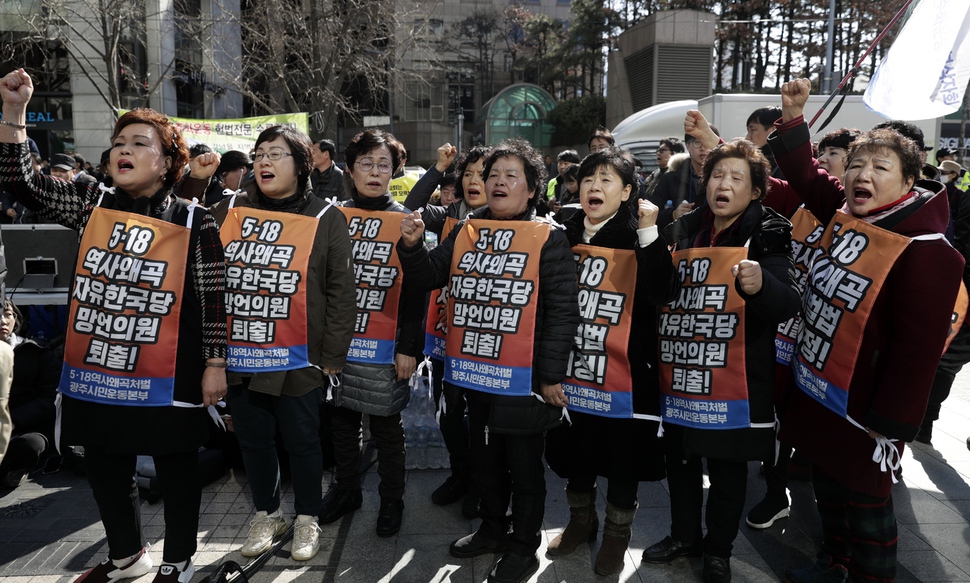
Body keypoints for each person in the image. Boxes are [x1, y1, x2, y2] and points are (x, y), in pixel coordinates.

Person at [0, 68, 228, 583]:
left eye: (139, 143)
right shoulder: (91, 203)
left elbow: (215, 301)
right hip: (101, 366)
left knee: (175, 466)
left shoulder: (196, 220)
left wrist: (215, 365)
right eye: (118, 142)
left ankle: (178, 558)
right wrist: (15, 114)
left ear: (169, 162)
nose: (122, 150)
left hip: (171, 370)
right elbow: (24, 182)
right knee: (105, 463)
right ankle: (127, 556)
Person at [769, 78, 964, 583]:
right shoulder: (851, 216)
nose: (862, 175)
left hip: (869, 408)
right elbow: (810, 181)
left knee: (865, 498)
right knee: (828, 484)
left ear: (910, 182)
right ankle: (834, 563)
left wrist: (892, 422)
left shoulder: (926, 249)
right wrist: (793, 117)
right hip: (822, 386)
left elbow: (917, 350)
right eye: (856, 164)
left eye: (880, 167)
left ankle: (872, 575)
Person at [397, 137, 580, 583]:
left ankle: (523, 546)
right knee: (484, 461)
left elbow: (561, 311)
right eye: (490, 174)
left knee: (524, 467)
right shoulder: (467, 229)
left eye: (510, 176)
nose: (497, 182)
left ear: (533, 189)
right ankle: (493, 529)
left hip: (526, 382)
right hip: (476, 373)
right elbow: (426, 277)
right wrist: (412, 247)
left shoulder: (548, 237)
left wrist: (550, 375)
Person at [185, 125, 356, 562]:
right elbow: (180, 220)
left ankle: (307, 518)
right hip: (240, 354)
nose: (263, 162)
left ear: (300, 165)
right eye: (259, 154)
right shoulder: (230, 209)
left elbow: (341, 291)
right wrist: (195, 179)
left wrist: (332, 356)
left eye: (276, 154)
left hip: (299, 355)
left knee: (302, 440)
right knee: (255, 441)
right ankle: (267, 513)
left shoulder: (325, 216)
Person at [642, 137, 800, 583]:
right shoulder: (686, 228)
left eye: (736, 178)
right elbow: (657, 291)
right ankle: (683, 536)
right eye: (716, 176)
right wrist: (651, 237)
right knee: (682, 462)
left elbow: (788, 302)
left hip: (736, 379)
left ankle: (718, 551)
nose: (723, 185)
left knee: (728, 472)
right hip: (683, 371)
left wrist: (759, 284)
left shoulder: (768, 232)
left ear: (754, 191)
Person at [544, 147, 675, 575]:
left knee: (623, 456)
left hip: (625, 368)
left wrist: (651, 234)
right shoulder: (561, 228)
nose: (594, 187)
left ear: (628, 192)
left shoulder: (643, 232)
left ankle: (618, 536)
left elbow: (663, 292)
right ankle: (581, 521)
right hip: (572, 365)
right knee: (574, 448)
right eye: (587, 179)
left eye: (605, 180)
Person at [319, 129, 425, 538]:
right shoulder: (332, 216)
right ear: (350, 168)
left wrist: (408, 348)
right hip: (338, 345)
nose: (375, 171)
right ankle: (347, 490)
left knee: (385, 429)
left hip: (385, 347)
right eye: (366, 163)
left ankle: (391, 500)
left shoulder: (406, 221)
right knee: (341, 423)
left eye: (384, 164)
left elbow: (417, 290)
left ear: (395, 170)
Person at [404, 144, 486, 516]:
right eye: (467, 173)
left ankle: (483, 486)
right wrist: (439, 167)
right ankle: (461, 474)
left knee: (481, 418)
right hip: (444, 332)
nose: (474, 181)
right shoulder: (450, 215)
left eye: (483, 174)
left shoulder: (514, 224)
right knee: (449, 411)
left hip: (487, 342)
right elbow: (414, 203)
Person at [0, 299, 60, 488]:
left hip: (23, 428)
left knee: (31, 445)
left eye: (7, 314)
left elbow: (50, 398)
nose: (2, 320)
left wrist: (13, 420)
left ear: (16, 319)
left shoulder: (36, 352)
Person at [650, 125, 720, 230]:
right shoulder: (670, 178)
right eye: (697, 142)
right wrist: (673, 214)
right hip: (681, 241)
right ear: (687, 145)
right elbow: (650, 213)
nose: (703, 148)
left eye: (707, 142)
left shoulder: (723, 179)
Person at [642, 137, 685, 201]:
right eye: (658, 151)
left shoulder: (679, 175)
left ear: (674, 153)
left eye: (662, 151)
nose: (658, 154)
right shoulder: (655, 174)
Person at [745, 106, 783, 176]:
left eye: (753, 130)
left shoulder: (786, 166)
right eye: (748, 131)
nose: (747, 138)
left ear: (774, 131)